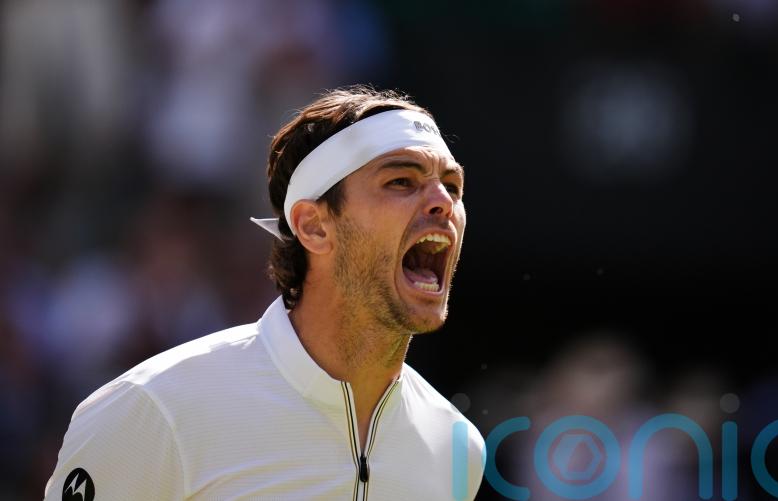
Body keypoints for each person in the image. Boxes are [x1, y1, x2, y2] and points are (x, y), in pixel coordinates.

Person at [44, 86, 485, 500]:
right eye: (401, 181)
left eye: (452, 186)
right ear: (313, 226)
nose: (443, 202)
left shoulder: (456, 449)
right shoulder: (154, 410)